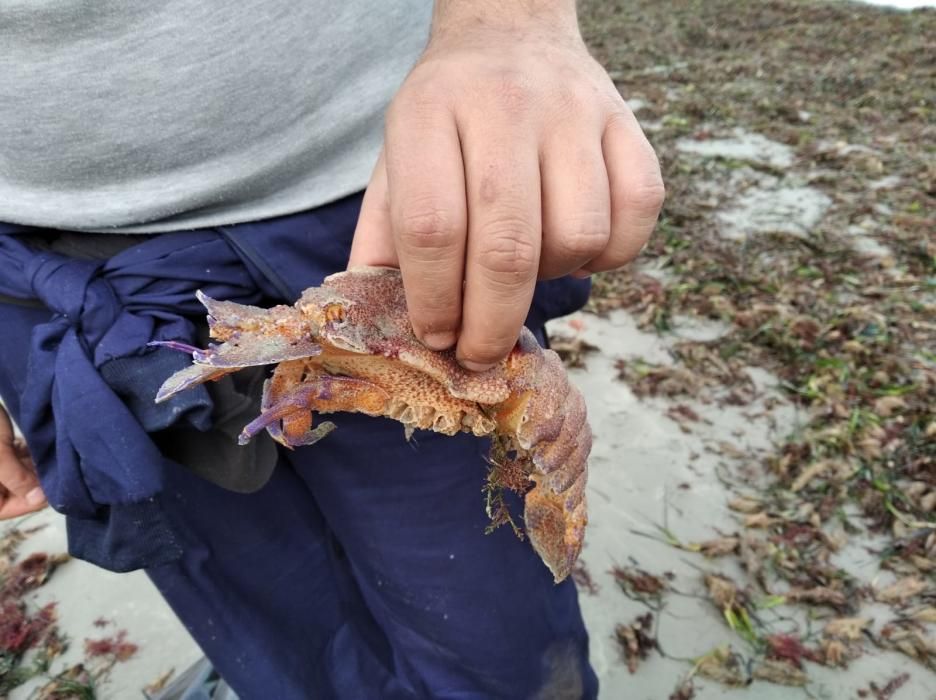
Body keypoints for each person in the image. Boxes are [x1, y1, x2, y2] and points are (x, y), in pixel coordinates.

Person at [0, 1, 663, 698]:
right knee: (261, 613)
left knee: (495, 645)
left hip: (382, 195)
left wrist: (510, 21)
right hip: (39, 263)